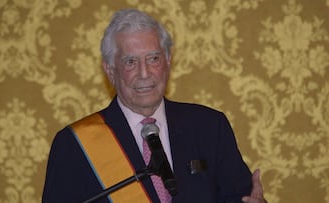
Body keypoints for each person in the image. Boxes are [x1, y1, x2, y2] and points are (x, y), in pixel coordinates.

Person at [42, 8, 267, 203]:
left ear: (168, 61)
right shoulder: (75, 144)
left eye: (154, 59)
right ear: (110, 70)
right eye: (130, 62)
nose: (144, 73)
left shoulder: (209, 127)